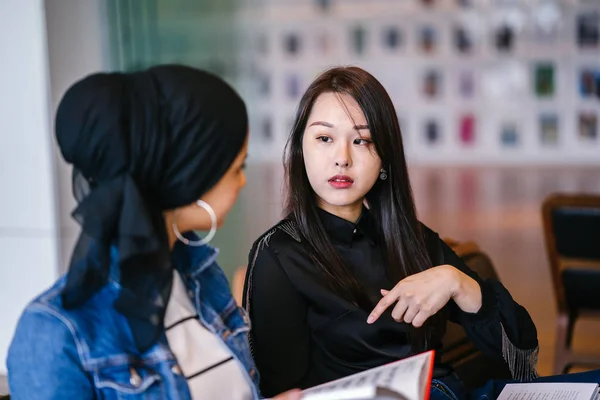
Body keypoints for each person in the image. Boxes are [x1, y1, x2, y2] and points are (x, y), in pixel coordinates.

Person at [243, 66, 600, 400]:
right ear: (300, 149)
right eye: (324, 138)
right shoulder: (278, 255)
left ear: (385, 158)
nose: (341, 158)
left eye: (362, 141)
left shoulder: (410, 237)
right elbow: (279, 392)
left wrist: (457, 282)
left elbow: (523, 350)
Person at [7, 65, 300, 400]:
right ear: (186, 173)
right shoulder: (53, 332)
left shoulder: (203, 280)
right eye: (238, 167)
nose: (242, 181)